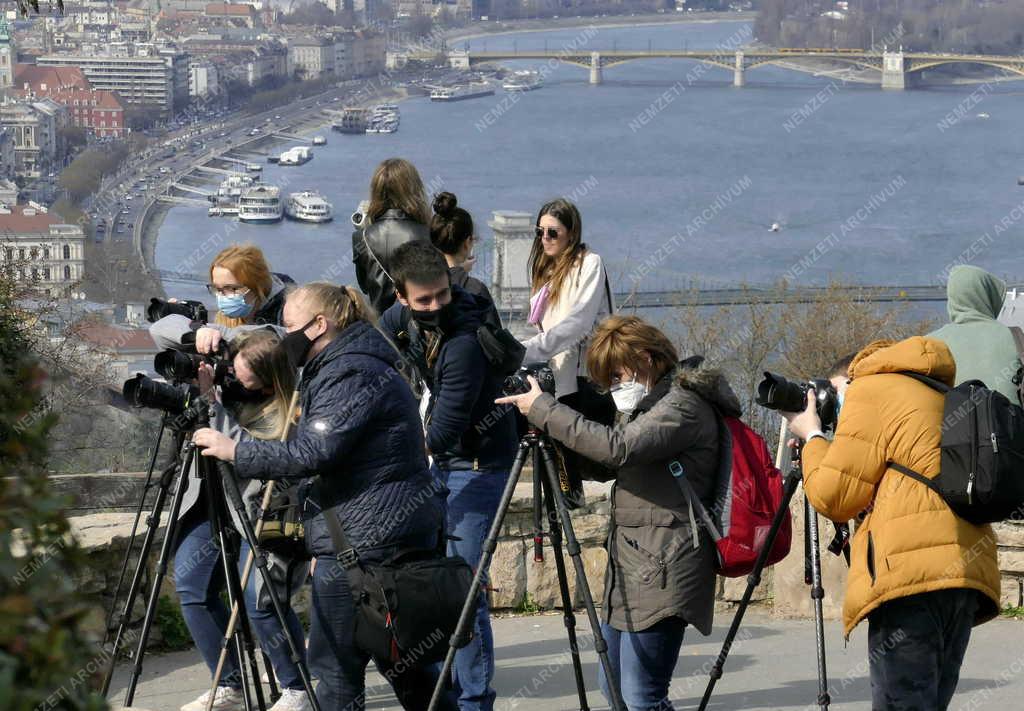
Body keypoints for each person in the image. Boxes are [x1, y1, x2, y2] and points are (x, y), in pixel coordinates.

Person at [193, 283, 454, 711]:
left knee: (338, 669)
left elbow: (316, 451)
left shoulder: (349, 371)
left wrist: (236, 450)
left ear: (319, 326)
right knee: (406, 664)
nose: (285, 336)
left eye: (291, 326)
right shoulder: (351, 361)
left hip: (367, 543)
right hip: (366, 535)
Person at [498, 315, 739, 710]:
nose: (614, 388)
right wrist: (560, 440)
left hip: (667, 561)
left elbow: (618, 448)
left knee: (643, 696)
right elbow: (613, 463)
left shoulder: (683, 406)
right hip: (633, 561)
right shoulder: (651, 402)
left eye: (617, 375)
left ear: (646, 357)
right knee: (614, 688)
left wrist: (543, 408)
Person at [782, 336, 1001, 710]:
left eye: (833, 395)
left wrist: (812, 437)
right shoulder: (929, 390)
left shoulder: (870, 388)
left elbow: (835, 496)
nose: (833, 405)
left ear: (849, 380)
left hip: (910, 577)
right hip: (963, 573)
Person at [379, 241, 517, 711]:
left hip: (480, 464)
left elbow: (440, 433)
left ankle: (474, 702)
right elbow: (381, 347)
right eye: (424, 300)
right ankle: (444, 691)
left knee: (463, 592)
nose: (437, 306)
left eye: (443, 295)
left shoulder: (464, 345)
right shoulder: (399, 320)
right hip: (447, 464)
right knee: (434, 586)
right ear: (401, 297)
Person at [150, 329, 310, 711]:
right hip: (210, 501)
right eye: (231, 371)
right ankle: (229, 683)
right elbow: (160, 331)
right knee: (191, 586)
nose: (232, 380)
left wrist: (211, 405)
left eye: (243, 378)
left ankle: (296, 687)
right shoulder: (232, 378)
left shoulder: (290, 412)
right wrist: (204, 333)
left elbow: (256, 455)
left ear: (270, 383)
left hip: (261, 514)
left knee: (261, 601)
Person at [522, 198, 612, 399]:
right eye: (540, 232)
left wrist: (525, 351)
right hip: (553, 383)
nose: (545, 238)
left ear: (571, 234)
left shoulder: (589, 264)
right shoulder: (544, 272)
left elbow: (579, 324)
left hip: (586, 382)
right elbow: (535, 327)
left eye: (552, 232)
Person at [929, 264, 1020, 403]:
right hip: (1009, 423)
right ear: (989, 298)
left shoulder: (927, 344)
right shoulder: (1015, 337)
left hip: (943, 424)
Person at [352, 158, 431, 315]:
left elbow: (364, 286)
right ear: (415, 189)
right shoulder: (428, 233)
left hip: (380, 325)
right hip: (420, 321)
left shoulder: (361, 237)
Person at [429, 191, 500, 329]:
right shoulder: (476, 290)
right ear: (467, 242)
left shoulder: (419, 285)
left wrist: (460, 270)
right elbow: (495, 340)